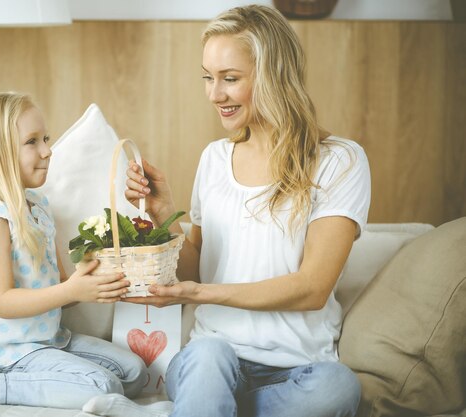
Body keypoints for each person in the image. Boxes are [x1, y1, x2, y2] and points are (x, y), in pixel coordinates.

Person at [92, 5, 371, 417]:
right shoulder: (215, 159)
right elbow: (196, 271)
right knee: (209, 359)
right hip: (212, 358)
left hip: (298, 368)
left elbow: (313, 289)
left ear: (275, 76)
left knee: (338, 389)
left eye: (230, 79)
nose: (214, 94)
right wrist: (165, 214)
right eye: (208, 77)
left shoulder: (339, 161)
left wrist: (200, 294)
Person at [0, 92, 151, 409]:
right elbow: (2, 302)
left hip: (48, 339)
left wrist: (88, 280)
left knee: (135, 373)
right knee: (104, 384)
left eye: (46, 139)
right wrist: (70, 289)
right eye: (32, 142)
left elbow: (60, 289)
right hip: (4, 350)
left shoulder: (38, 207)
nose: (47, 150)